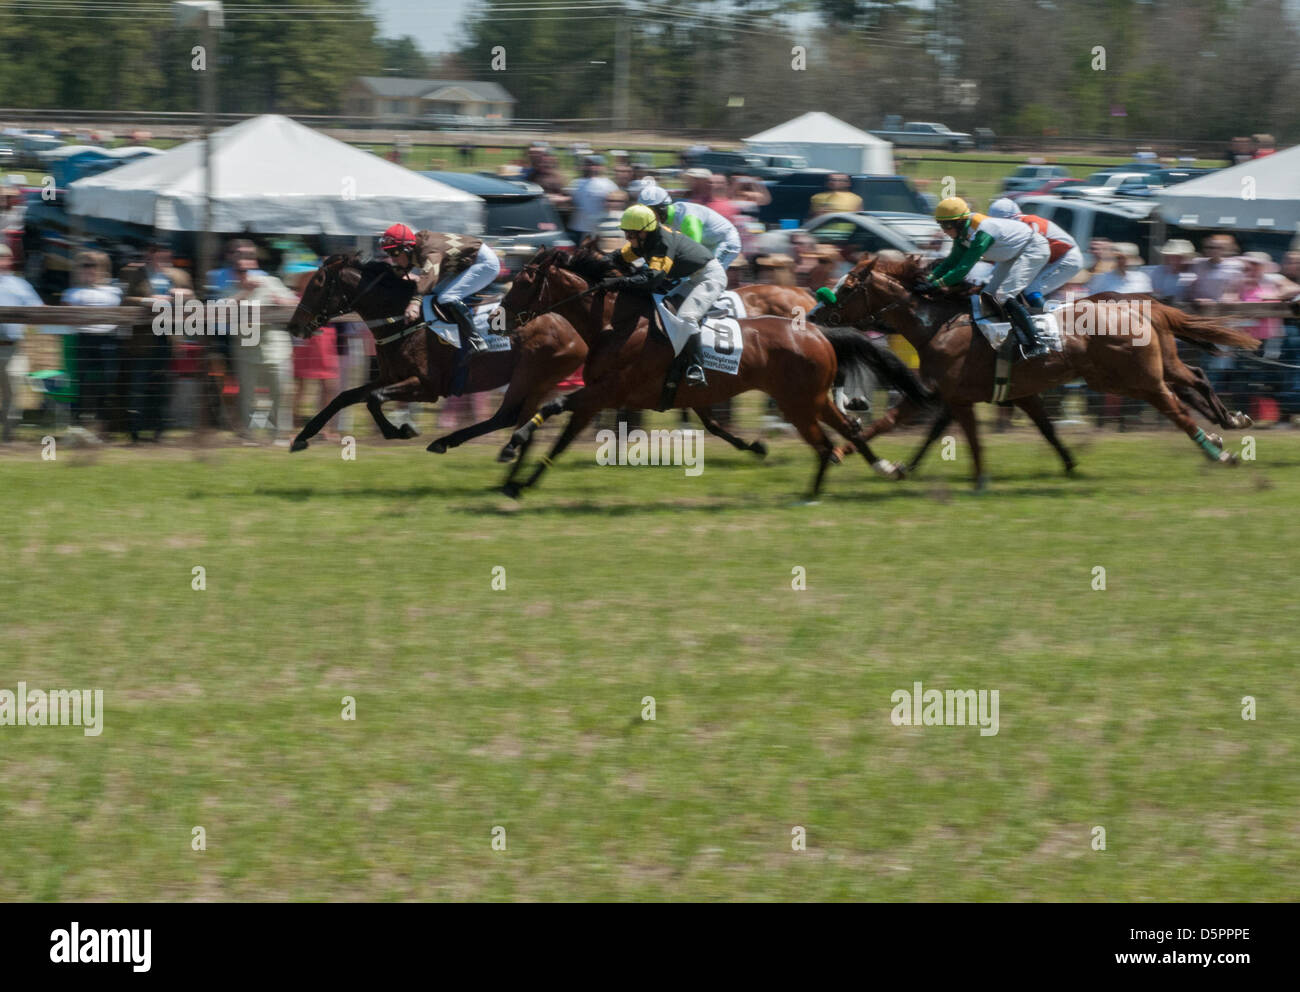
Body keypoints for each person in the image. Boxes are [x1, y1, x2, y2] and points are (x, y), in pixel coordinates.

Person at [600, 203, 722, 388]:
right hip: (690, 278)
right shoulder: (645, 240)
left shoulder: (662, 243)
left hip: (709, 277)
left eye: (631, 234)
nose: (627, 237)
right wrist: (594, 264)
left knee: (687, 315)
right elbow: (618, 257)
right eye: (626, 232)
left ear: (644, 232)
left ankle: (696, 366)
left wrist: (618, 282)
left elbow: (652, 279)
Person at [919, 197, 1050, 362]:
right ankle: (1010, 339)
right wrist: (929, 279)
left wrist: (936, 285)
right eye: (941, 225)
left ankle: (1037, 343)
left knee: (1004, 296)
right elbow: (951, 261)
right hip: (1013, 253)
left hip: (1033, 249)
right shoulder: (962, 234)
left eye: (946, 225)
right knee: (988, 296)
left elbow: (963, 268)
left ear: (959, 222)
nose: (944, 230)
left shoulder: (982, 232)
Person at [381, 222, 499, 361]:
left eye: (394, 252)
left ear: (407, 249)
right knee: (432, 295)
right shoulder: (415, 246)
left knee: (447, 297)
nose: (393, 258)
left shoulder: (429, 250)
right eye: (388, 252)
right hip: (465, 263)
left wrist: (414, 302)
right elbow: (421, 273)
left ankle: (477, 341)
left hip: (484, 263)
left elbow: (429, 275)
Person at [122, 243, 191, 442]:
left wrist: (185, 295)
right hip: (143, 338)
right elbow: (125, 300)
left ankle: (159, 430)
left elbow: (193, 298)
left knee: (164, 385)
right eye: (158, 254)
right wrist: (148, 300)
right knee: (139, 384)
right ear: (149, 254)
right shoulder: (133, 273)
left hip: (168, 338)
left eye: (166, 255)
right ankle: (134, 430)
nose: (162, 259)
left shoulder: (180, 276)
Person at [61, 250, 122, 437]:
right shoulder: (72, 293)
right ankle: (76, 422)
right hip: (84, 339)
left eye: (93, 266)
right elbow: (65, 313)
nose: (89, 270)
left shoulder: (113, 291)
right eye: (85, 266)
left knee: (108, 380)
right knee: (79, 381)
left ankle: (102, 424)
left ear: (101, 269)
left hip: (107, 340)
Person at [986, 197, 1083, 309]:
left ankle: (1048, 319)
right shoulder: (1018, 224)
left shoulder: (1030, 224)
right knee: (1017, 288)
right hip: (1054, 258)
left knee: (1031, 289)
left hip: (1067, 258)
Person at [638, 182, 742, 270]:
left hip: (726, 241)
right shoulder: (663, 221)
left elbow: (693, 252)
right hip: (708, 243)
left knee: (709, 272)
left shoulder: (688, 218)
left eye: (650, 212)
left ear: (661, 209)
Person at [0, 243, 42, 441]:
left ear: (9, 261)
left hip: (12, 348)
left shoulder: (21, 285)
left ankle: (8, 437)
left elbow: (39, 309)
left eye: (2, 257)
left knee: (13, 392)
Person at [567, 154, 619, 244]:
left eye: (595, 164)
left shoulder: (609, 185)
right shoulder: (576, 183)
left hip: (598, 231)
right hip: (577, 229)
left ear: (601, 167)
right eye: (589, 164)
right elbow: (569, 201)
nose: (591, 167)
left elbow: (616, 204)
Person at [1085, 243, 1153, 295]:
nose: (1122, 262)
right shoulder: (1100, 278)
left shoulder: (1142, 278)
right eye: (1119, 258)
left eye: (1125, 258)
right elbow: (1092, 300)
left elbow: (1147, 302)